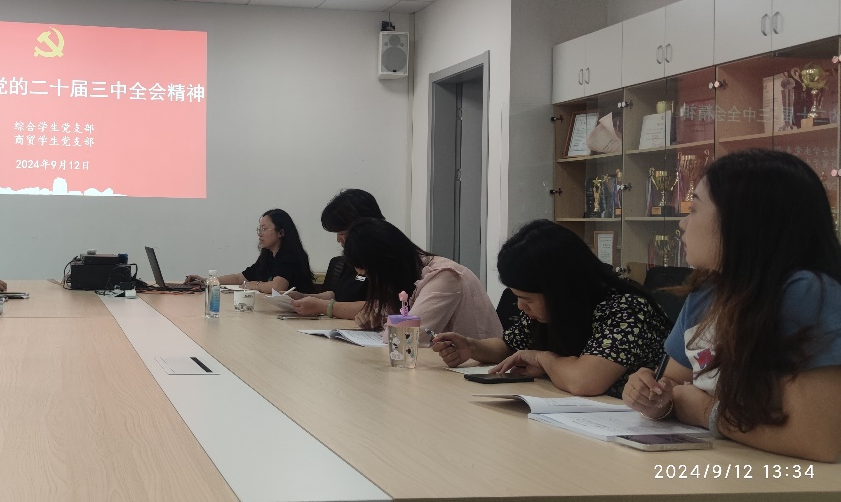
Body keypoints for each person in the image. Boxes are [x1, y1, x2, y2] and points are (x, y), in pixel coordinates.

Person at [623, 150, 841, 462]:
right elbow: (673, 387)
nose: (682, 224)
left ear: (742, 222)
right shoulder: (707, 290)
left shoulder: (806, 292)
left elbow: (816, 440)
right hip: (721, 463)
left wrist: (706, 412)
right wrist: (653, 398)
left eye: (694, 209)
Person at [432, 219, 668, 397]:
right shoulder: (553, 310)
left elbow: (584, 382)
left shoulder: (627, 309)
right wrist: (471, 347)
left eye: (527, 299)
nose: (521, 307)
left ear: (559, 290)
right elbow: (510, 346)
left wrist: (543, 358)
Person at [341, 218, 502, 339]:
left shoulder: (444, 276)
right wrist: (374, 318)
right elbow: (394, 321)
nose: (371, 281)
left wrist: (387, 325)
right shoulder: (405, 276)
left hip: (475, 368)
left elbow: (406, 336)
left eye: (370, 274)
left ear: (386, 264)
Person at [290, 189, 383, 319]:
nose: (339, 240)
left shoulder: (386, 257)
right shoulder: (349, 260)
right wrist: (303, 297)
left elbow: (382, 308)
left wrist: (323, 307)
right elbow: (339, 295)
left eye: (342, 233)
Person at [189, 209, 314, 294]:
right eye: (259, 229)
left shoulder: (289, 255)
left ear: (281, 232)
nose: (260, 234)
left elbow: (277, 287)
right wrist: (207, 281)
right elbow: (239, 278)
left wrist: (256, 285)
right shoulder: (268, 255)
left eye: (264, 229)